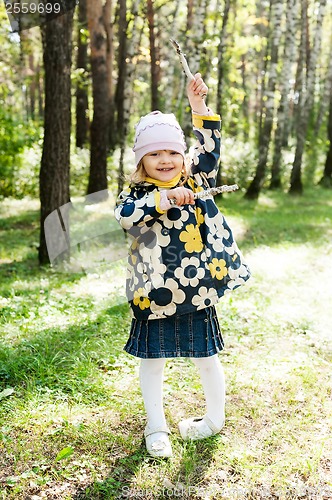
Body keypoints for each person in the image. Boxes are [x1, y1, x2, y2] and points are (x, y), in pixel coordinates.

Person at [114, 73, 250, 458]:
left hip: (197, 288)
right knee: (152, 361)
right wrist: (163, 200)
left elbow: (209, 150)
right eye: (155, 154)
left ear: (182, 155)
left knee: (206, 357)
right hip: (153, 291)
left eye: (172, 152)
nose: (165, 160)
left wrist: (198, 108)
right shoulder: (137, 194)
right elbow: (126, 217)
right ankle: (156, 426)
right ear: (141, 160)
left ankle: (214, 420)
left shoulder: (197, 176)